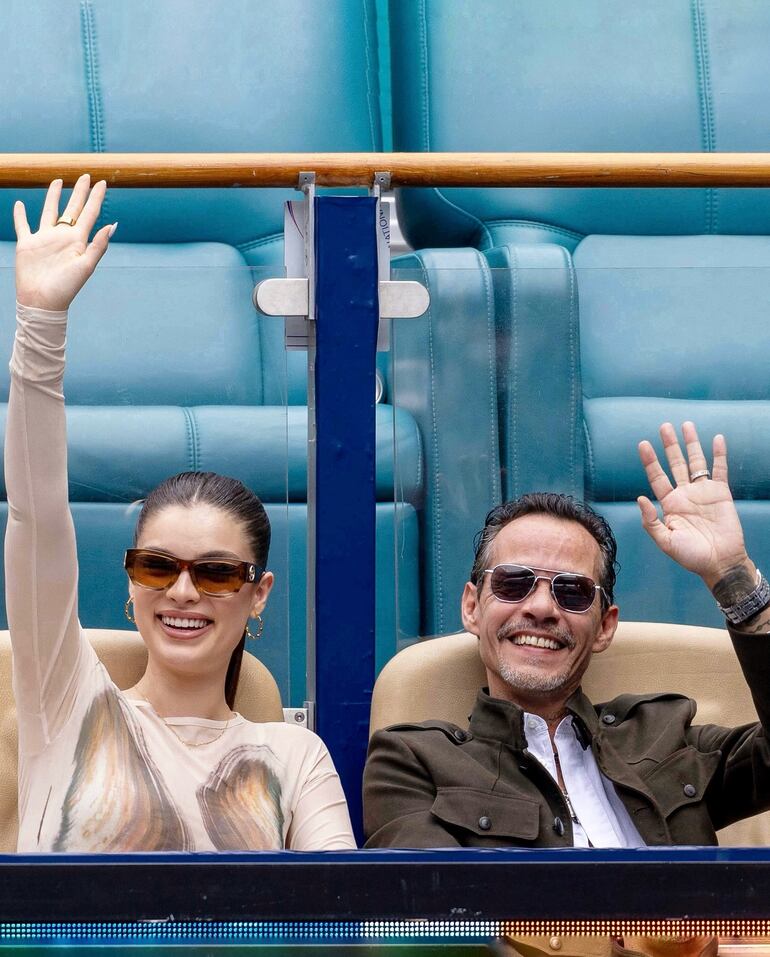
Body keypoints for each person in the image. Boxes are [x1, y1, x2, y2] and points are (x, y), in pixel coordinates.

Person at [8, 175, 355, 852]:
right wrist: (40, 323)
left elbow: (339, 904)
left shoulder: (295, 755)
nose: (184, 592)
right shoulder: (66, 699)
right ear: (131, 580)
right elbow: (36, 515)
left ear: (259, 593)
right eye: (157, 566)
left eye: (217, 573)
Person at [363, 421, 770, 849]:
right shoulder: (412, 762)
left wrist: (733, 576)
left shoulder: (666, 738)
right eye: (513, 583)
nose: (541, 608)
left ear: (604, 626)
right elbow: (436, 893)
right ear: (472, 608)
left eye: (572, 591)